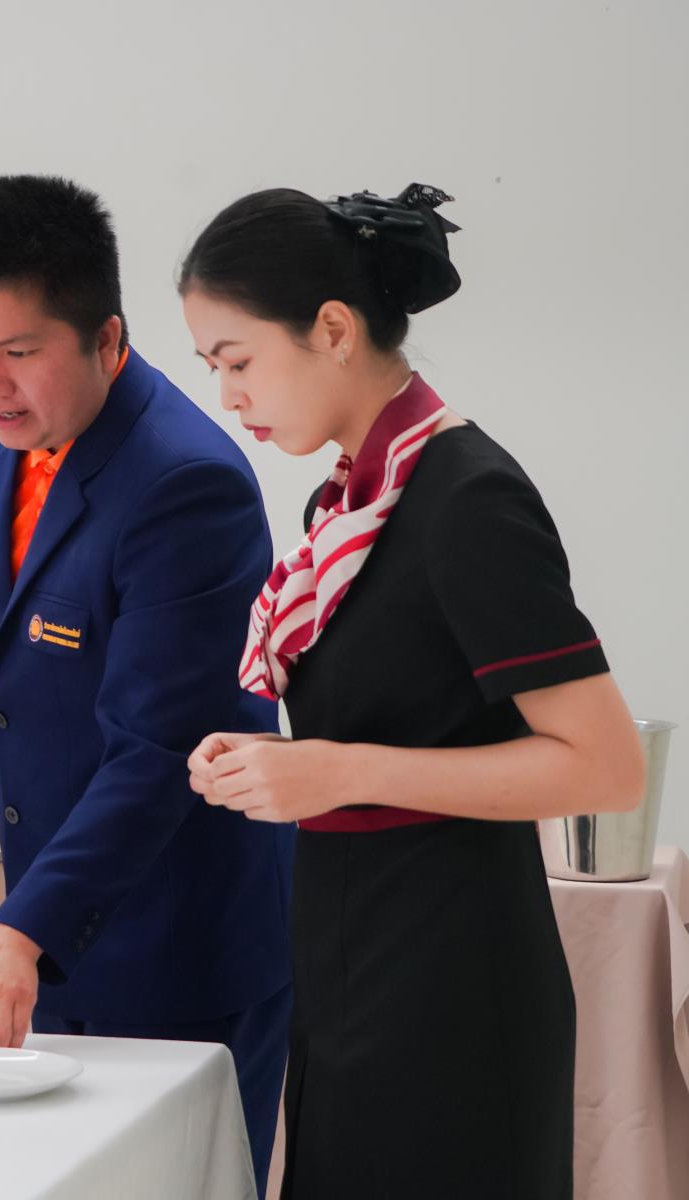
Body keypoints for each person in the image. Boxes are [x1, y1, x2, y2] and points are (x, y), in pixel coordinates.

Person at [179, 183, 645, 1198]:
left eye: (238, 361)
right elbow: (400, 722)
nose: (229, 397)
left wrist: (339, 770)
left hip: (452, 980)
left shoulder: (466, 498)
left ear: (333, 329)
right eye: (214, 369)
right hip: (352, 959)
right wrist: (282, 766)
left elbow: (606, 767)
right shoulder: (351, 500)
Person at [0, 175, 294, 1189]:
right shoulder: (15, 438)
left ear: (108, 337)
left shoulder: (185, 483)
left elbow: (159, 747)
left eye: (18, 351)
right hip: (60, 936)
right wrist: (29, 929)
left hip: (180, 948)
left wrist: (21, 927)